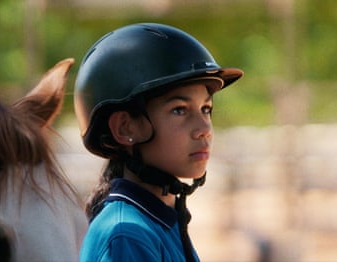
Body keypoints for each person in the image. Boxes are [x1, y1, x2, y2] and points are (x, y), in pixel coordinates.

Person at [74, 23, 243, 262]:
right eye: (179, 110)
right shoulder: (127, 235)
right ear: (125, 128)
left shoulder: (158, 219)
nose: (204, 129)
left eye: (206, 109)